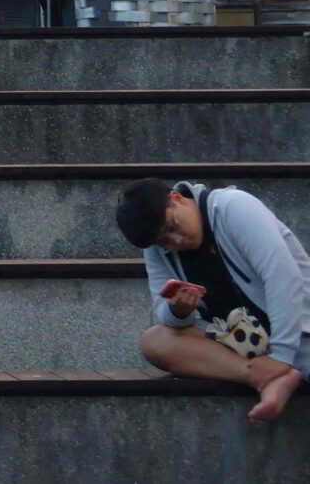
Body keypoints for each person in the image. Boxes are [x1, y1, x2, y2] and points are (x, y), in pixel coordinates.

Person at [119, 177, 310, 421]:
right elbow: (163, 311)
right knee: (154, 341)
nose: (176, 241)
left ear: (176, 199)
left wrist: (281, 355)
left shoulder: (232, 206)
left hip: (299, 333)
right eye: (164, 241)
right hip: (241, 344)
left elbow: (283, 276)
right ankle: (262, 377)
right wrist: (179, 311)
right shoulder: (156, 250)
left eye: (173, 227)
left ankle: (276, 371)